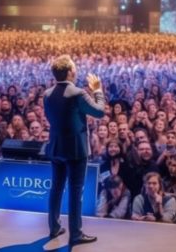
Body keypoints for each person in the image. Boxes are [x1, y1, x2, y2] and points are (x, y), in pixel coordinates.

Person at [44, 55, 105, 245]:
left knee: (56, 188)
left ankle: (54, 228)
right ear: (70, 72)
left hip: (55, 147)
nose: (76, 70)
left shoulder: (47, 94)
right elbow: (99, 111)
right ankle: (75, 234)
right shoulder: (78, 93)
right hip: (76, 150)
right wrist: (98, 90)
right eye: (75, 68)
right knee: (75, 191)